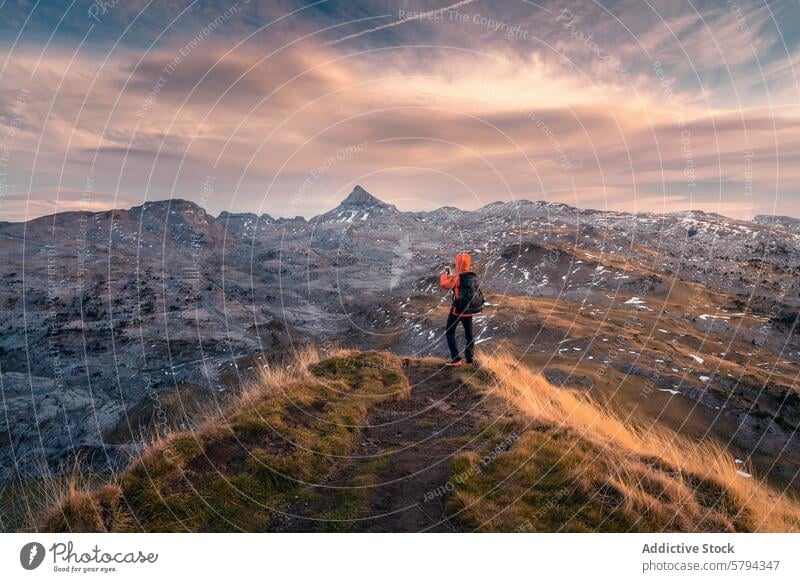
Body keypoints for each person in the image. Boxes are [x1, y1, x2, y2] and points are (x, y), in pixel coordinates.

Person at [439, 252, 484, 366]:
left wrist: (444, 275)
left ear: (458, 263)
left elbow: (444, 284)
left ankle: (456, 359)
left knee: (450, 332)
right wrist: (452, 276)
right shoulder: (473, 277)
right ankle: (469, 359)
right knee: (469, 334)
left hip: (457, 310)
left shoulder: (458, 278)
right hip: (469, 311)